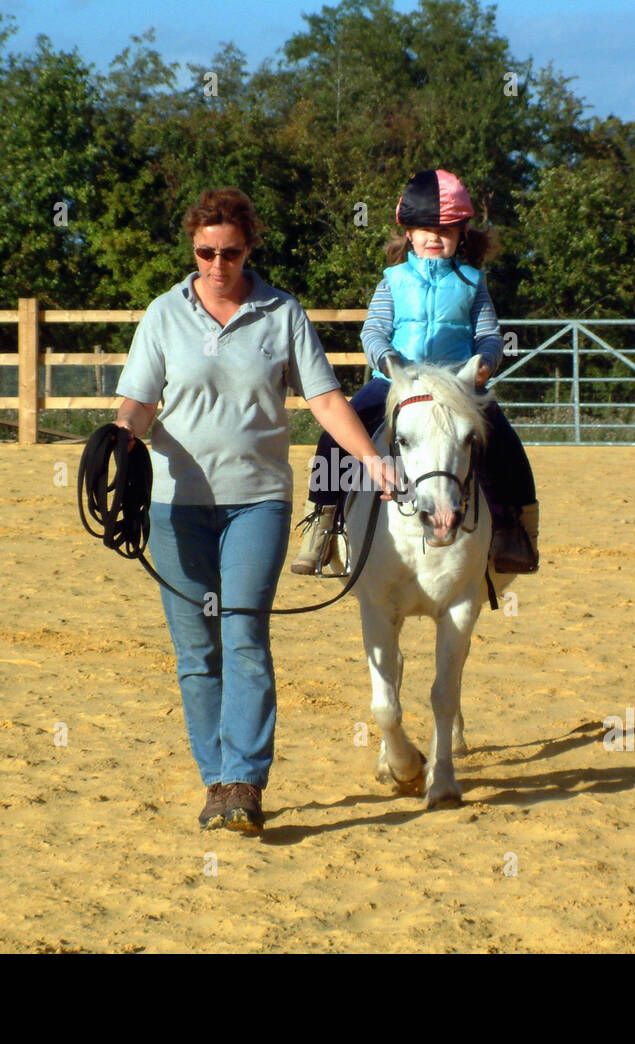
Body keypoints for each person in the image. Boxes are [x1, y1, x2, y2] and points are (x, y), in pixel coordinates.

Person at [114, 187, 397, 836]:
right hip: (174, 505)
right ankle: (215, 780)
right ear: (193, 248)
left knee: (242, 635)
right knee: (196, 651)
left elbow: (325, 401)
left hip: (257, 504)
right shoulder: (164, 315)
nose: (217, 265)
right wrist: (119, 436)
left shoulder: (280, 313)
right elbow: (139, 402)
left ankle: (244, 780)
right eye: (204, 252)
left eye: (230, 252)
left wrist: (372, 461)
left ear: (249, 248)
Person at [292, 168, 539, 576]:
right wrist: (386, 359)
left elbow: (489, 335)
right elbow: (374, 329)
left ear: (462, 234)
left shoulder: (473, 283)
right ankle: (322, 523)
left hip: (457, 387)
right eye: (425, 228)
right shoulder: (393, 280)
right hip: (394, 382)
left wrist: (485, 362)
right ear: (408, 231)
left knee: (506, 444)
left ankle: (515, 530)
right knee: (334, 438)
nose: (434, 237)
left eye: (445, 229)